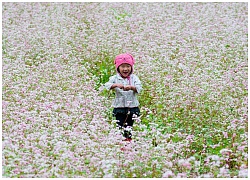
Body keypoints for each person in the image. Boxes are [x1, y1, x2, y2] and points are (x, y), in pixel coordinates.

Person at [104, 53, 142, 141]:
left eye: (128, 66)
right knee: (120, 127)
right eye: (123, 67)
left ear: (131, 67)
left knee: (130, 127)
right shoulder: (115, 78)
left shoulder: (134, 78)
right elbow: (107, 85)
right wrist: (116, 85)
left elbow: (139, 88)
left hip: (132, 107)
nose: (125, 69)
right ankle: (121, 144)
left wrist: (132, 87)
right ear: (118, 68)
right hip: (119, 107)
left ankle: (129, 144)